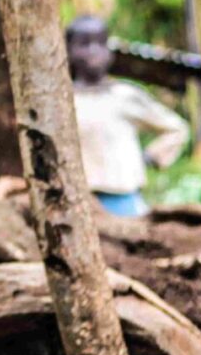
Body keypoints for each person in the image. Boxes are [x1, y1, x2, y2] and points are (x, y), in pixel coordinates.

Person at [68, 14, 189, 216]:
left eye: (100, 43)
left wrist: (151, 156)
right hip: (79, 204)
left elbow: (177, 128)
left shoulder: (124, 95)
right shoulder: (62, 101)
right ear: (68, 50)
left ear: (110, 51)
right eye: (83, 43)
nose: (93, 51)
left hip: (125, 201)